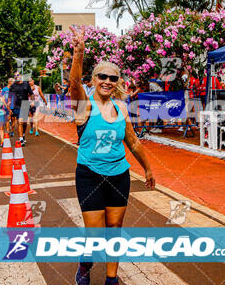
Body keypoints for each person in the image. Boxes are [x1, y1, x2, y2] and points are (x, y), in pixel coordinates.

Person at [69, 26, 155, 285]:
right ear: (94, 79)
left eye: (113, 78)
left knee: (115, 228)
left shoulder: (121, 107)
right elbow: (74, 84)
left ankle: (111, 279)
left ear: (117, 82)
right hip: (90, 175)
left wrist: (148, 169)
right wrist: (78, 54)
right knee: (94, 232)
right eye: (102, 76)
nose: (107, 81)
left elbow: (134, 142)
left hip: (119, 175)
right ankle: (85, 265)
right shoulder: (84, 106)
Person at [8, 72, 32, 146]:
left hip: (25, 105)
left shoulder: (26, 84)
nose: (16, 77)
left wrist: (33, 101)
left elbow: (31, 94)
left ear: (21, 76)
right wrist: (9, 106)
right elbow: (10, 97)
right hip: (17, 106)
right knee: (20, 122)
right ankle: (21, 139)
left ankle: (23, 134)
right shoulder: (13, 86)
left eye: (17, 75)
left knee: (24, 123)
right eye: (15, 76)